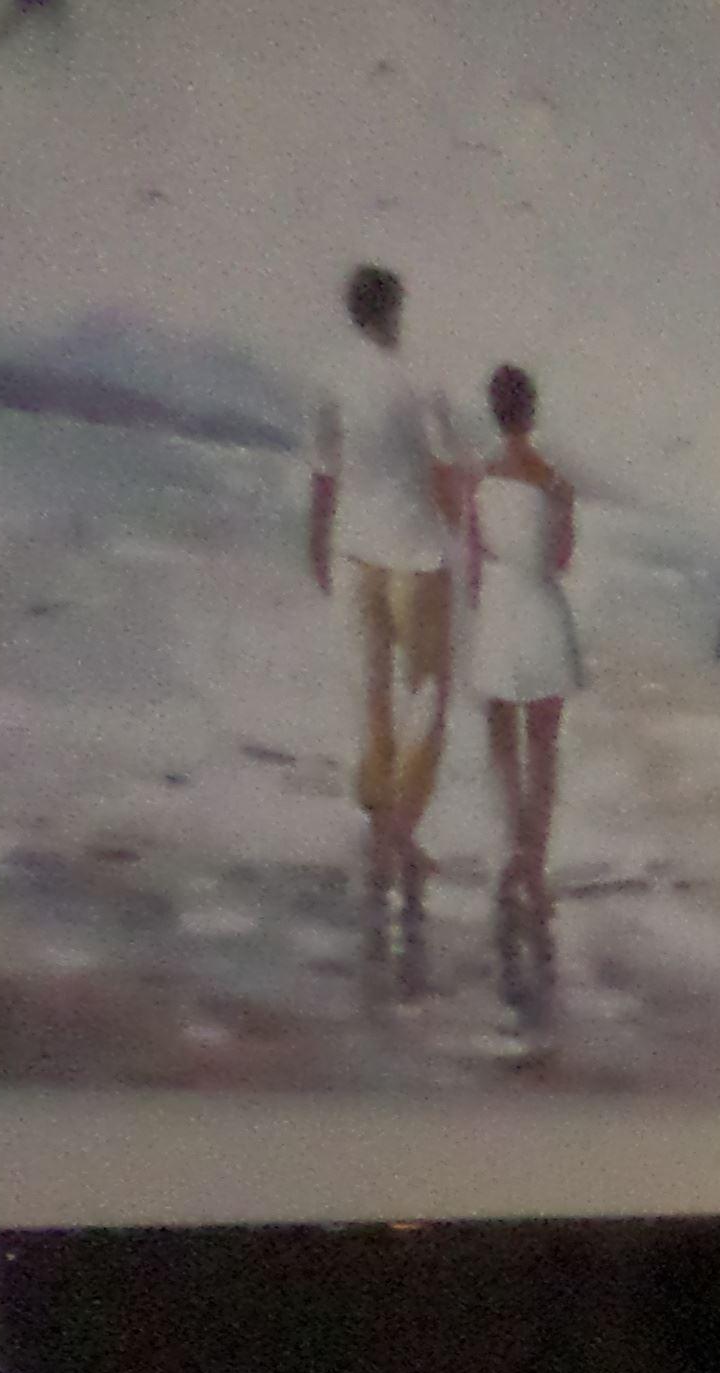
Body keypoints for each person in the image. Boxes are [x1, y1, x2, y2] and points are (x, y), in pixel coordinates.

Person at [307, 263, 461, 994]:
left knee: (370, 690)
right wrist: (466, 545)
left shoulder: (331, 378)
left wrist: (316, 543)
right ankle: (400, 834)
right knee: (426, 690)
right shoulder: (421, 380)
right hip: (418, 553)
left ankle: (383, 832)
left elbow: (324, 475)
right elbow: (449, 477)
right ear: (395, 311)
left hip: (353, 550)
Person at [465, 363, 582, 1027]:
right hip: (541, 609)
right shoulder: (556, 483)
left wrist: (484, 609)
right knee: (544, 749)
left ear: (493, 411)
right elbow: (562, 560)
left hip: (500, 612)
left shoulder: (478, 478)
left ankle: (514, 853)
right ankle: (535, 867)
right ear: (531, 412)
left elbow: (474, 563)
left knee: (503, 748)